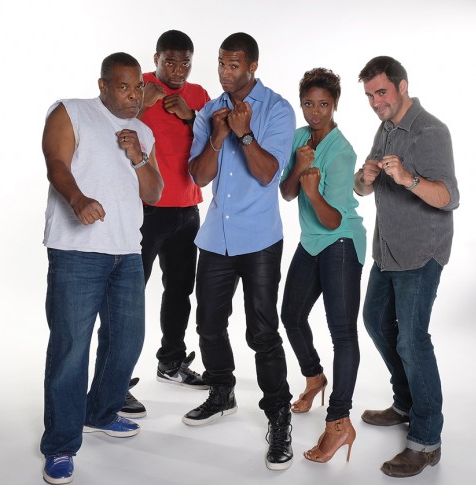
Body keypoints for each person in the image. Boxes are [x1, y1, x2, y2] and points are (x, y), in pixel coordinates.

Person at [40, 52, 164, 485]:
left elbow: (154, 192)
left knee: (127, 341)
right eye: (124, 87)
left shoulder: (143, 131)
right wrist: (77, 200)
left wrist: (137, 156)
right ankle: (59, 445)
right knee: (72, 347)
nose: (133, 96)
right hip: (77, 250)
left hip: (127, 250)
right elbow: (56, 163)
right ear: (103, 85)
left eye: (137, 88)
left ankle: (101, 411)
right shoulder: (71, 111)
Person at [181, 32, 295, 471]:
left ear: (253, 66)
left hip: (259, 238)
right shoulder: (210, 111)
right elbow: (199, 176)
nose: (226, 73)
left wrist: (244, 135)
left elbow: (269, 175)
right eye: (221, 64)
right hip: (215, 238)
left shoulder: (278, 110)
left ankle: (278, 416)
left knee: (262, 331)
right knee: (208, 322)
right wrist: (217, 135)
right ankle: (222, 390)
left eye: (234, 65)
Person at [354, 56, 459, 478]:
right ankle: (406, 403)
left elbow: (449, 197)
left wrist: (409, 179)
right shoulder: (386, 128)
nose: (376, 102)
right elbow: (361, 189)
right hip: (388, 248)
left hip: (421, 251)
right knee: (377, 322)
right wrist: (365, 176)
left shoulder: (431, 131)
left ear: (401, 86)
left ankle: (427, 440)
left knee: (412, 340)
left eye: (381, 92)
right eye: (369, 96)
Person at [119, 30, 211, 419]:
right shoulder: (137, 86)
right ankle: (116, 380)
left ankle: (171, 361)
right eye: (170, 61)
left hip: (187, 209)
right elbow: (109, 130)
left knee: (179, 290)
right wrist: (143, 105)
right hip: (145, 209)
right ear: (156, 58)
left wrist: (191, 116)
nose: (177, 69)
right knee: (126, 295)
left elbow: (213, 142)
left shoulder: (199, 94)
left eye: (185, 61)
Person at [280, 68, 366, 463]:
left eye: (324, 105)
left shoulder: (342, 150)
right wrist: (299, 170)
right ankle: (315, 377)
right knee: (291, 315)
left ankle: (338, 422)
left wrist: (312, 191)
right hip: (313, 242)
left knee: (342, 333)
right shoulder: (300, 137)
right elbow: (285, 191)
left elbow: (332, 218)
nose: (315, 112)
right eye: (309, 104)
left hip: (341, 241)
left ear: (335, 104)